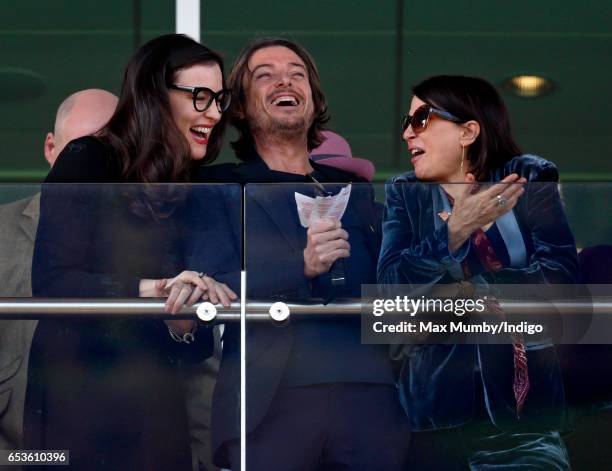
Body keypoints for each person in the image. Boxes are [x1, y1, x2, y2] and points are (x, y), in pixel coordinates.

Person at [195, 37, 409, 471]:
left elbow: (394, 278)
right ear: (238, 106)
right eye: (265, 75)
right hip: (268, 401)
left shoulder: (357, 191)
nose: (284, 81)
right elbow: (211, 286)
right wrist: (301, 266)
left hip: (369, 397)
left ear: (313, 98)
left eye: (296, 73)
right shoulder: (216, 186)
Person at [23, 34, 236, 471]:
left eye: (219, 98)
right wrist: (151, 288)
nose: (214, 112)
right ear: (155, 96)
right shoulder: (88, 158)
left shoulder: (189, 184)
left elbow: (192, 349)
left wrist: (183, 313)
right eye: (200, 96)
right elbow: (52, 281)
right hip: (74, 402)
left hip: (154, 411)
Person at [377, 75, 578, 469]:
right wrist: (454, 231)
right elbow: (389, 291)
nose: (406, 134)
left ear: (468, 131)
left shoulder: (527, 177)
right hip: (435, 419)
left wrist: (460, 292)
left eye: (420, 120)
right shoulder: (405, 193)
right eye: (406, 121)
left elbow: (561, 284)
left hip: (526, 421)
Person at [0, 89, 117, 452]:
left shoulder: (149, 234)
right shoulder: (2, 231)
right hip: (20, 449)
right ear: (51, 148)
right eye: (78, 151)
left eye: (109, 154)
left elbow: (194, 366)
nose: (89, 166)